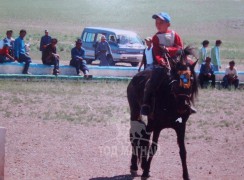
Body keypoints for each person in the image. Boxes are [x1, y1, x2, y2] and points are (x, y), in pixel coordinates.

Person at [141, 12, 186, 115]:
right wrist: (161, 61)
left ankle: (187, 102)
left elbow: (179, 48)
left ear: (168, 24)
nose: (158, 24)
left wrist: (168, 49)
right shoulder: (155, 38)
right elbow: (156, 52)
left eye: (161, 22)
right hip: (162, 64)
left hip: (176, 62)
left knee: (186, 78)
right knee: (152, 81)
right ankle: (146, 104)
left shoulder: (175, 35)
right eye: (156, 22)